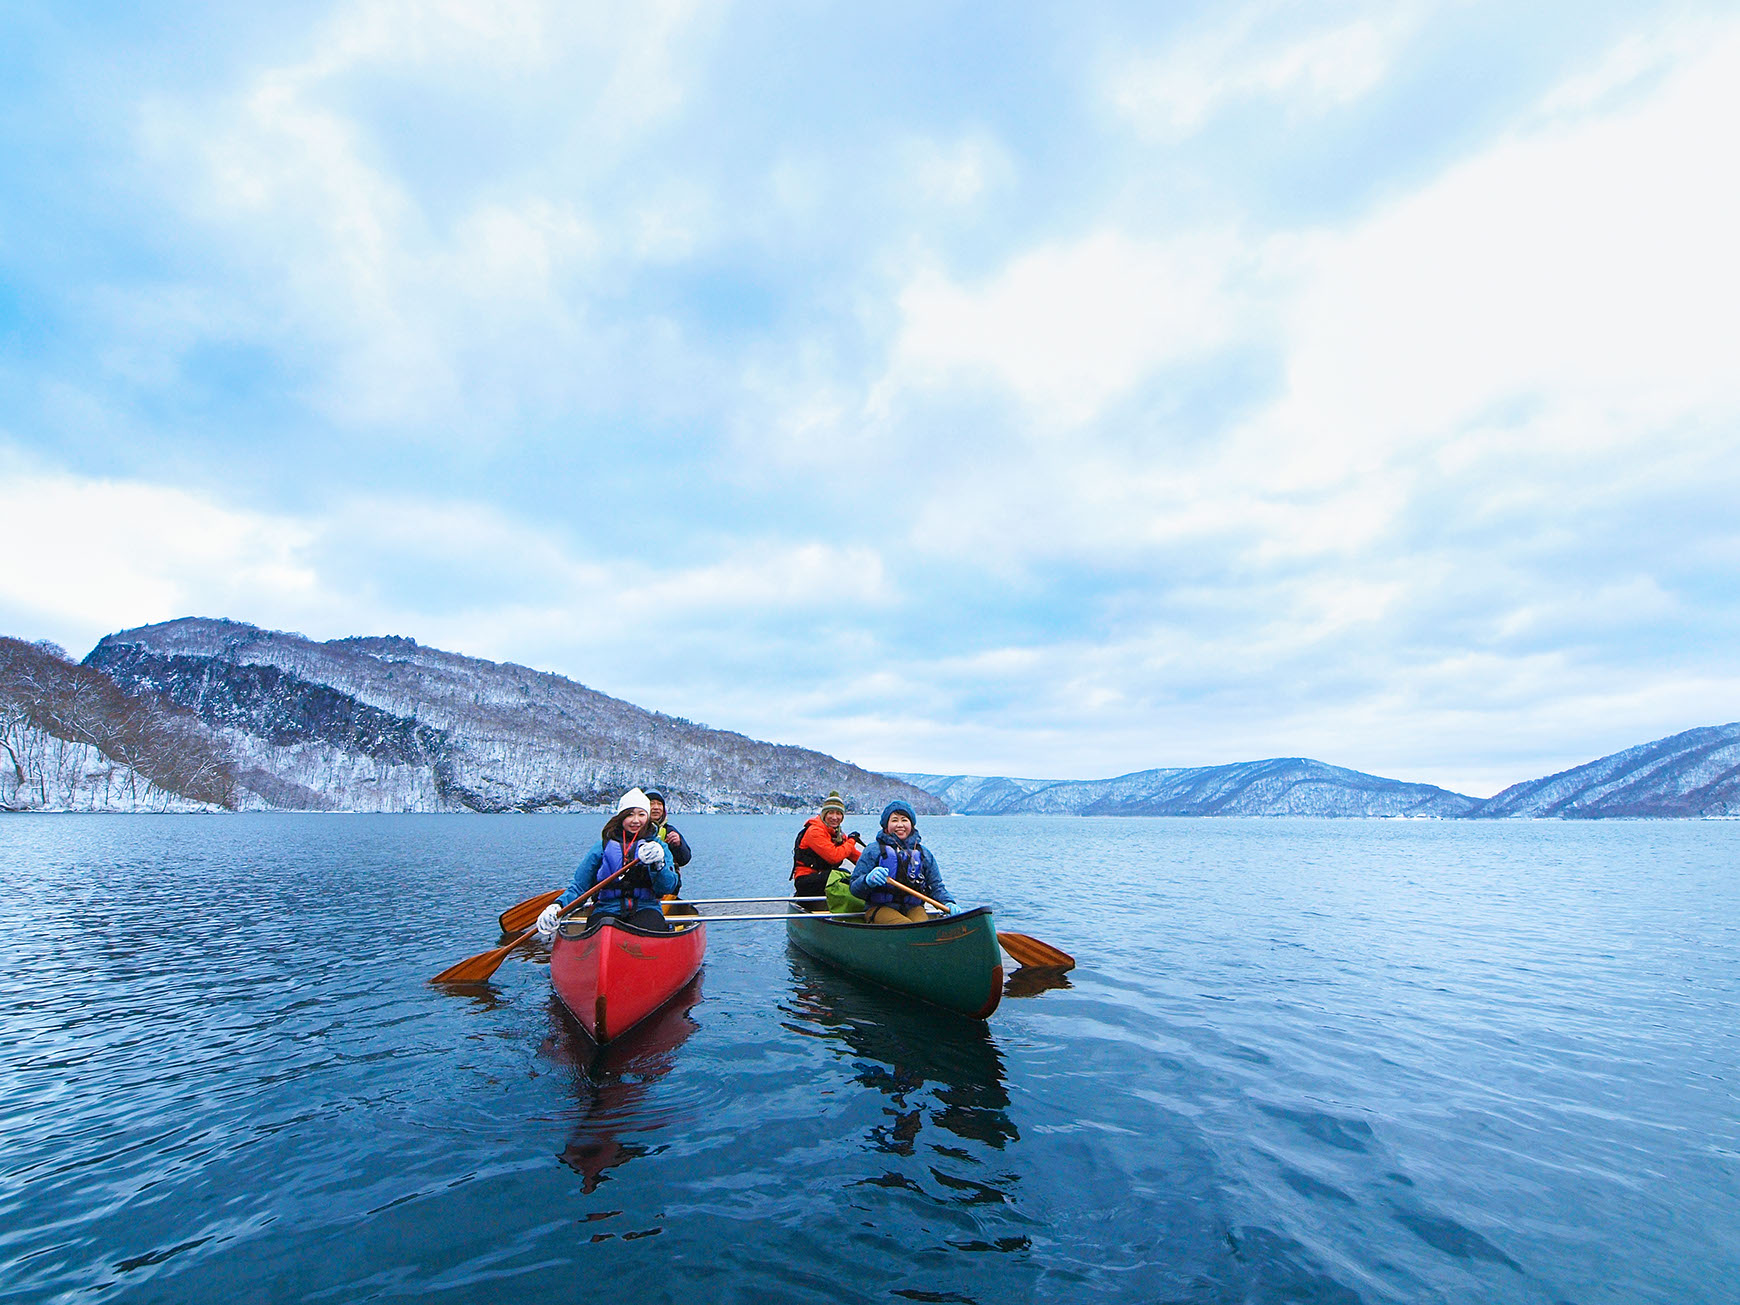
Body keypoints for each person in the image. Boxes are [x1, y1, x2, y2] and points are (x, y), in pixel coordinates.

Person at [538, 788, 679, 938]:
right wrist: (557, 906)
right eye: (629, 814)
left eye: (641, 814)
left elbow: (668, 887)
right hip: (607, 908)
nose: (636, 820)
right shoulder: (603, 847)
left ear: (648, 817)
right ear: (620, 817)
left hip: (646, 907)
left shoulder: (659, 847)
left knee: (649, 928)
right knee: (602, 929)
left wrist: (659, 864)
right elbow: (580, 886)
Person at [849, 799, 956, 925]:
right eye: (894, 820)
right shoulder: (873, 850)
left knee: (922, 926)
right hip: (879, 908)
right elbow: (854, 888)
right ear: (886, 825)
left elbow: (936, 886)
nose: (900, 825)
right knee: (906, 925)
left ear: (911, 824)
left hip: (913, 907)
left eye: (904, 820)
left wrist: (948, 903)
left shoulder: (923, 853)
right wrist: (867, 880)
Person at [791, 791, 864, 909]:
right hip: (806, 881)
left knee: (854, 879)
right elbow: (834, 856)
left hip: (825, 879)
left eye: (838, 813)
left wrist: (874, 867)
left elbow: (855, 855)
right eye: (831, 813)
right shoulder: (815, 831)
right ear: (824, 814)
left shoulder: (837, 834)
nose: (835, 817)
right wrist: (852, 841)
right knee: (842, 876)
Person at [644, 789, 693, 880]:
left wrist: (678, 845)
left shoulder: (669, 830)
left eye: (659, 804)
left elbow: (685, 859)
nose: (656, 807)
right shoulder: (634, 830)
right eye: (652, 803)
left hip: (665, 885)